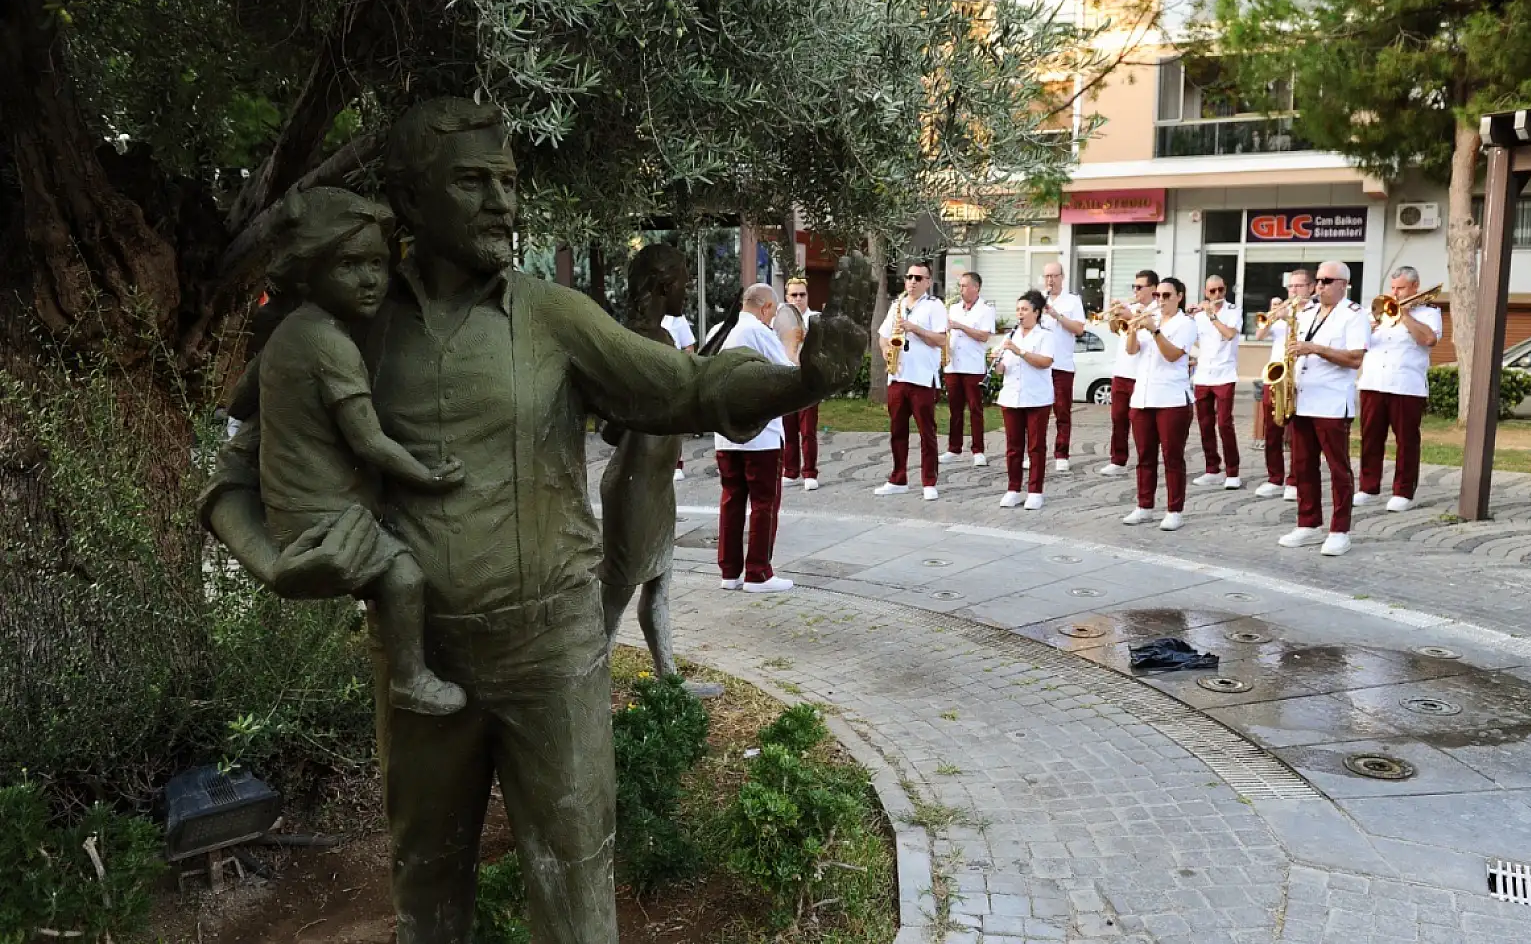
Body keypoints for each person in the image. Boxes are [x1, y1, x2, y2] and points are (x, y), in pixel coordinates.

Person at [198, 97, 866, 943]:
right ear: (411, 199)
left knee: (577, 893)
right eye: (471, 183)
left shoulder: (553, 316)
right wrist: (273, 563)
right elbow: (231, 479)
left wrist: (800, 382)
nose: (501, 203)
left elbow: (687, 389)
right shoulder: (344, 325)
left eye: (507, 183)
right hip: (420, 666)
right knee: (428, 896)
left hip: (553, 656)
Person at [248, 187, 467, 717]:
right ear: (310, 269)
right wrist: (427, 476)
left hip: (292, 510)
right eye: (349, 264)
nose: (370, 278)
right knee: (404, 576)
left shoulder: (290, 332)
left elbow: (240, 401)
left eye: (377, 263)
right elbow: (368, 439)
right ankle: (410, 679)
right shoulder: (331, 344)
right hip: (321, 518)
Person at [599, 243, 689, 682]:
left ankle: (668, 679)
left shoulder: (663, 339)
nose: (687, 293)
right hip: (633, 486)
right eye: (684, 284)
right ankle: (587, 684)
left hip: (656, 483)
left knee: (659, 592)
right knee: (614, 598)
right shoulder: (635, 341)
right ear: (663, 285)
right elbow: (612, 426)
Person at [1278, 261, 1370, 557]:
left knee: (1337, 468)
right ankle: (1308, 523)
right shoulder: (1306, 313)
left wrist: (1315, 348)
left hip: (1331, 402)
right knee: (1302, 465)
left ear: (1344, 284)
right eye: (1318, 280)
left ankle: (1340, 530)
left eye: (1327, 281)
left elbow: (1355, 359)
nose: (1320, 285)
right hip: (1303, 398)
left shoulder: (1354, 316)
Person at [718, 284, 796, 592]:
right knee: (764, 502)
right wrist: (790, 343)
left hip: (725, 435)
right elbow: (789, 374)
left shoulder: (723, 331)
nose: (773, 319)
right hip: (759, 435)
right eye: (773, 313)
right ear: (764, 308)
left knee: (731, 500)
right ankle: (758, 572)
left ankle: (729, 572)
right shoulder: (759, 333)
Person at [1355, 266, 1440, 513]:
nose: (1395, 293)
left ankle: (1403, 491)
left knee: (1406, 441)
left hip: (1407, 385)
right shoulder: (1374, 314)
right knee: (1370, 437)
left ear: (1415, 287)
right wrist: (1366, 328)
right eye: (1392, 288)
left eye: (1400, 288)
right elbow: (1356, 343)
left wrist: (1403, 315)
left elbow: (1429, 340)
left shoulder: (1429, 313)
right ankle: (1368, 487)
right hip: (1373, 383)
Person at [1122, 277, 1199, 532]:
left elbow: (1173, 355)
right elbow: (1131, 351)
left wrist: (1154, 330)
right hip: (1143, 397)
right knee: (1144, 456)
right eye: (1158, 295)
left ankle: (1175, 510)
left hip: (1172, 399)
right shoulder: (1149, 317)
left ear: (1179, 296)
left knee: (1172, 457)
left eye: (1167, 295)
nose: (1161, 300)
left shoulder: (1186, 324)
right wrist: (1133, 327)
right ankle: (1144, 506)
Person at [875, 259, 949, 500]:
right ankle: (898, 478)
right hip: (898, 375)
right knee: (897, 430)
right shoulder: (897, 304)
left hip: (922, 378)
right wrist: (886, 350)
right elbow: (882, 336)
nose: (912, 282)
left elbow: (940, 340)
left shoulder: (934, 306)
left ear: (927, 282)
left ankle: (929, 481)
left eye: (918, 278)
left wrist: (915, 328)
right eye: (909, 277)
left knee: (926, 431)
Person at [994, 290, 1056, 509]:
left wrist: (1019, 352)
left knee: (1036, 447)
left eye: (1025, 309)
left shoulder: (1045, 335)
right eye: (1018, 309)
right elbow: (1001, 370)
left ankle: (1035, 491)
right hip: (1011, 397)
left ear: (1036, 313)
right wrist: (996, 362)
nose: (1020, 314)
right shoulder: (1010, 336)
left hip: (1037, 397)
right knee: (1013, 446)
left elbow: (1045, 361)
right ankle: (1013, 489)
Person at [1255, 270, 1312, 499]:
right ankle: (1274, 478)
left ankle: (1295, 480)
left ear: (1310, 288)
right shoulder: (1281, 312)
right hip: (1276, 377)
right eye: (1291, 287)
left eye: (1299, 286)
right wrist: (1274, 314)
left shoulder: (1314, 313)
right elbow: (1259, 334)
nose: (1294, 291)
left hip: (1301, 377)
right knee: (1271, 431)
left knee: (1298, 433)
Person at [1099, 270, 1157, 477]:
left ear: (1153, 289)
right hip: (1122, 370)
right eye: (1135, 287)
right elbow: (1115, 329)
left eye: (1140, 287)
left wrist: (1130, 315)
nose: (1136, 291)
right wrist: (1114, 312)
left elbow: (1152, 328)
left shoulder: (1156, 310)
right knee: (1118, 418)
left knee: (1142, 423)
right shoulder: (1130, 307)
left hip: (1142, 373)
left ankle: (1146, 460)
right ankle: (1118, 459)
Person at [1189, 274, 1243, 490]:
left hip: (1225, 374)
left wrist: (1212, 316)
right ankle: (1212, 468)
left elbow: (1229, 334)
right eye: (1212, 291)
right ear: (1205, 293)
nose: (1217, 295)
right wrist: (1189, 316)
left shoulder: (1233, 311)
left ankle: (1233, 471)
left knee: (1225, 424)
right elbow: (1193, 342)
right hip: (1203, 375)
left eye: (1220, 290)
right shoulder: (1199, 316)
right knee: (1204, 424)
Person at [941, 271, 996, 468]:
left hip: (973, 366)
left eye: (965, 286)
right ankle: (953, 448)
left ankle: (978, 450)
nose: (961, 290)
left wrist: (960, 326)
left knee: (975, 409)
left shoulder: (986, 310)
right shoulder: (954, 308)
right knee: (955, 409)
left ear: (976, 287)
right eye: (960, 286)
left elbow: (983, 336)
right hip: (953, 365)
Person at [1040, 261, 1087, 472]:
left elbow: (1078, 329)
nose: (1050, 280)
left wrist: (1056, 315)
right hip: (1040, 363)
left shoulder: (1073, 301)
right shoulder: (1038, 299)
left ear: (1062, 277)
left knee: (1062, 411)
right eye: (1047, 276)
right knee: (1036, 412)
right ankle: (1035, 453)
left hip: (1062, 364)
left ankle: (1061, 453)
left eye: (1054, 276)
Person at [780, 277, 824, 490]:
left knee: (808, 430)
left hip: (808, 381)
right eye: (794, 295)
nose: (798, 299)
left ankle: (810, 472)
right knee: (788, 429)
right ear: (787, 297)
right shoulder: (779, 319)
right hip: (786, 378)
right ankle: (790, 470)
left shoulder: (816, 319)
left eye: (802, 294)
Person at [661, 301, 697, 481]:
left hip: (672, 372)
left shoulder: (675, 317)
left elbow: (688, 346)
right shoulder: (641, 315)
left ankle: (676, 463)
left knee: (673, 421)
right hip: (648, 371)